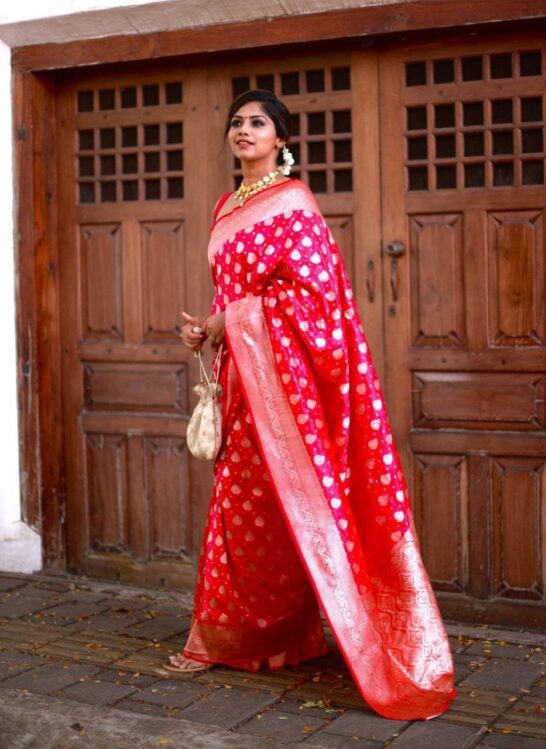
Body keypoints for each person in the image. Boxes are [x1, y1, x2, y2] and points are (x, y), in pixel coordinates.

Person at [164, 89, 456, 720]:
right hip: (242, 381)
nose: (244, 130)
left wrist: (227, 322)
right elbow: (233, 292)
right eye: (236, 122)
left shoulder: (293, 205)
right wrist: (208, 329)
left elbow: (316, 301)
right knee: (240, 512)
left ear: (281, 139)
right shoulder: (225, 206)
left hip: (285, 387)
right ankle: (253, 637)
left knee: (283, 508)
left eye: (258, 123)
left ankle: (277, 635)